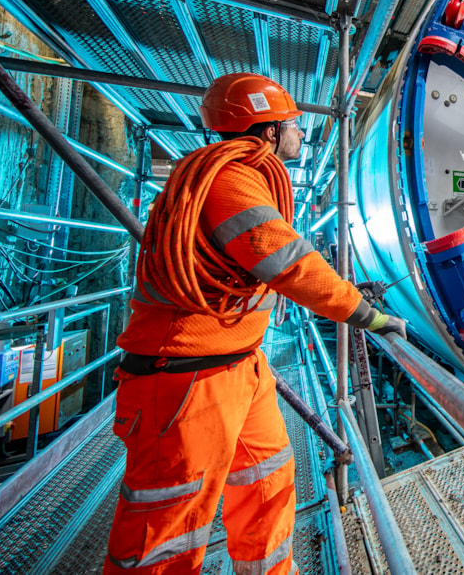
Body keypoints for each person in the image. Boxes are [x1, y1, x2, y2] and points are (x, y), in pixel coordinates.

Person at [104, 73, 405, 574]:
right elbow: (291, 265)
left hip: (238, 364)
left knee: (268, 481)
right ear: (266, 132)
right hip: (185, 378)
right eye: (291, 124)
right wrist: (367, 315)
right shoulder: (228, 182)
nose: (299, 133)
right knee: (168, 531)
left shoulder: (240, 179)